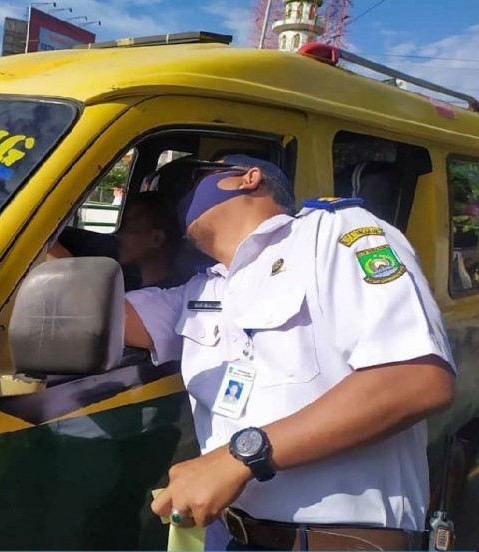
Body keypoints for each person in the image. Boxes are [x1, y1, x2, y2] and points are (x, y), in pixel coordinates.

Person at [123, 154, 455, 550]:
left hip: (337, 541)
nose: (182, 200)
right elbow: (88, 312)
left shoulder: (332, 234)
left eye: (195, 179)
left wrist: (240, 457)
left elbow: (415, 379)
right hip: (229, 535)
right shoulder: (202, 290)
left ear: (248, 178)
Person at [48, 191, 187, 290]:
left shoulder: (154, 300)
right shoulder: (129, 283)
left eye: (129, 226)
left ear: (156, 239)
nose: (119, 235)